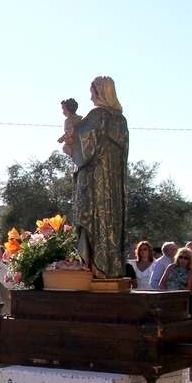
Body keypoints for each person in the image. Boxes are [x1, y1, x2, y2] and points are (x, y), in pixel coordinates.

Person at [71, 76, 129, 279]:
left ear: (100, 93)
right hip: (114, 184)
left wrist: (74, 127)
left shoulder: (97, 115)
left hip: (95, 179)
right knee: (111, 220)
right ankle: (112, 266)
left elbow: (82, 146)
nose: (91, 98)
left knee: (93, 217)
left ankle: (95, 266)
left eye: (92, 93)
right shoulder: (120, 120)